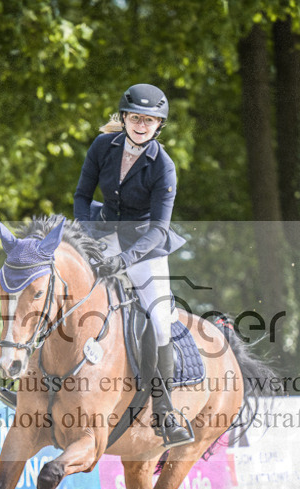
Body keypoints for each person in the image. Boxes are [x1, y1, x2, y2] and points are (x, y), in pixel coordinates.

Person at [72, 83, 192, 447]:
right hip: (103, 233)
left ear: (159, 125)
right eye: (136, 118)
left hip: (145, 248)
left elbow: (158, 229)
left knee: (159, 319)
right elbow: (82, 196)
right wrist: (87, 238)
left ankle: (164, 411)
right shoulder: (101, 147)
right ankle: (38, 382)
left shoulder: (164, 166)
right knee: (65, 289)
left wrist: (124, 260)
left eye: (149, 120)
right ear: (124, 118)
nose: (142, 125)